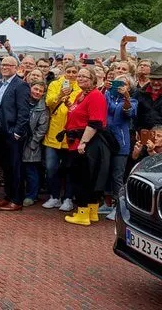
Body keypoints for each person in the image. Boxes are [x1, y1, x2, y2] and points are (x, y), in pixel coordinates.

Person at [63, 67, 109, 226]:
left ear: (93, 79)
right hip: (76, 140)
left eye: (85, 76)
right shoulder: (81, 95)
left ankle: (83, 214)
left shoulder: (96, 95)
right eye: (79, 75)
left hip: (86, 142)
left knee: (83, 178)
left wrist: (84, 142)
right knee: (86, 177)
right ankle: (92, 211)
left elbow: (95, 122)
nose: (80, 78)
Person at [0, 56, 30, 211]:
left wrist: (17, 132)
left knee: (15, 167)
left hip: (12, 132)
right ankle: (8, 196)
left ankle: (17, 199)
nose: (5, 67)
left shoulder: (20, 85)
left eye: (9, 64)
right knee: (5, 166)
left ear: (16, 67)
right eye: (3, 64)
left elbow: (23, 111)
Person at [42, 62, 81, 212]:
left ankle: (68, 198)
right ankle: (54, 196)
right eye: (68, 71)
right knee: (51, 167)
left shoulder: (80, 87)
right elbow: (49, 102)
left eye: (74, 72)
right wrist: (60, 95)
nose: (71, 75)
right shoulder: (54, 85)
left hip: (72, 134)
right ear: (63, 72)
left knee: (70, 169)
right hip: (54, 134)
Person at [101, 74, 137, 220]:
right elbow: (99, 105)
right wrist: (104, 88)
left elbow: (128, 112)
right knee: (105, 172)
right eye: (119, 82)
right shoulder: (107, 95)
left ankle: (119, 207)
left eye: (125, 83)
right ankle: (107, 202)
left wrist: (126, 97)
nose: (121, 86)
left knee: (117, 175)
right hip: (105, 139)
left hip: (121, 142)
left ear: (130, 87)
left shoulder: (132, 100)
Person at [22, 81, 50, 206]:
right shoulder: (22, 102)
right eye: (35, 89)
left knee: (31, 170)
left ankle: (32, 195)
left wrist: (33, 143)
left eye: (40, 91)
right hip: (19, 141)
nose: (37, 92)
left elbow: (42, 129)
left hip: (32, 144)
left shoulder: (43, 108)